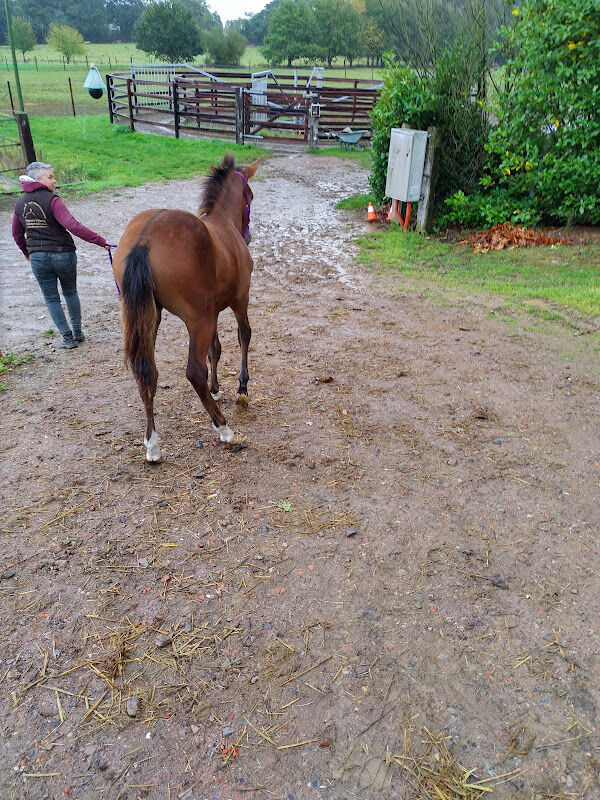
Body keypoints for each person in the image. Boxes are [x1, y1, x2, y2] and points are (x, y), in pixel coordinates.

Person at [12, 161, 110, 349]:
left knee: (51, 298)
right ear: (38, 179)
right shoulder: (52, 200)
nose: (54, 180)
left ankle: (67, 338)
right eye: (50, 177)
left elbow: (16, 234)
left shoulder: (19, 202)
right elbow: (72, 225)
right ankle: (78, 333)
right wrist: (100, 241)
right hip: (63, 254)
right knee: (70, 292)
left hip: (38, 258)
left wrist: (27, 252)